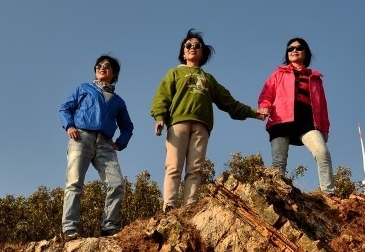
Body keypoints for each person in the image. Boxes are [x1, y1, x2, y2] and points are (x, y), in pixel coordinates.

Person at [150, 29, 267, 211]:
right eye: (188, 45)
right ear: (183, 52)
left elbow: (230, 103)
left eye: (198, 46)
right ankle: (170, 204)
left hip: (201, 126)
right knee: (173, 165)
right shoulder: (174, 73)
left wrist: (253, 113)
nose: (193, 48)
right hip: (178, 123)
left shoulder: (208, 79)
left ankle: (190, 206)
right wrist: (159, 118)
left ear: (202, 52)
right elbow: (162, 97)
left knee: (195, 169)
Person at [59, 55, 134, 239]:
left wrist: (120, 143)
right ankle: (70, 229)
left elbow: (127, 126)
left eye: (107, 66)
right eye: (98, 65)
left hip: (105, 143)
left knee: (116, 183)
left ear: (114, 73)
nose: (102, 68)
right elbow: (65, 108)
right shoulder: (84, 88)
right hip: (81, 137)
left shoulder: (118, 101)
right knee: (74, 183)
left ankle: (109, 226)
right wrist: (69, 126)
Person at [257, 36, 336, 195]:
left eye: (298, 48)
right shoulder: (278, 73)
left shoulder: (315, 78)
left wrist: (324, 128)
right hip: (280, 121)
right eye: (290, 49)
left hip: (307, 123)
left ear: (306, 52)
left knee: (323, 153)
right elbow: (266, 95)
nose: (294, 51)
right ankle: (278, 193)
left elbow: (323, 105)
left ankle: (329, 193)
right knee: (279, 162)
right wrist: (264, 107)